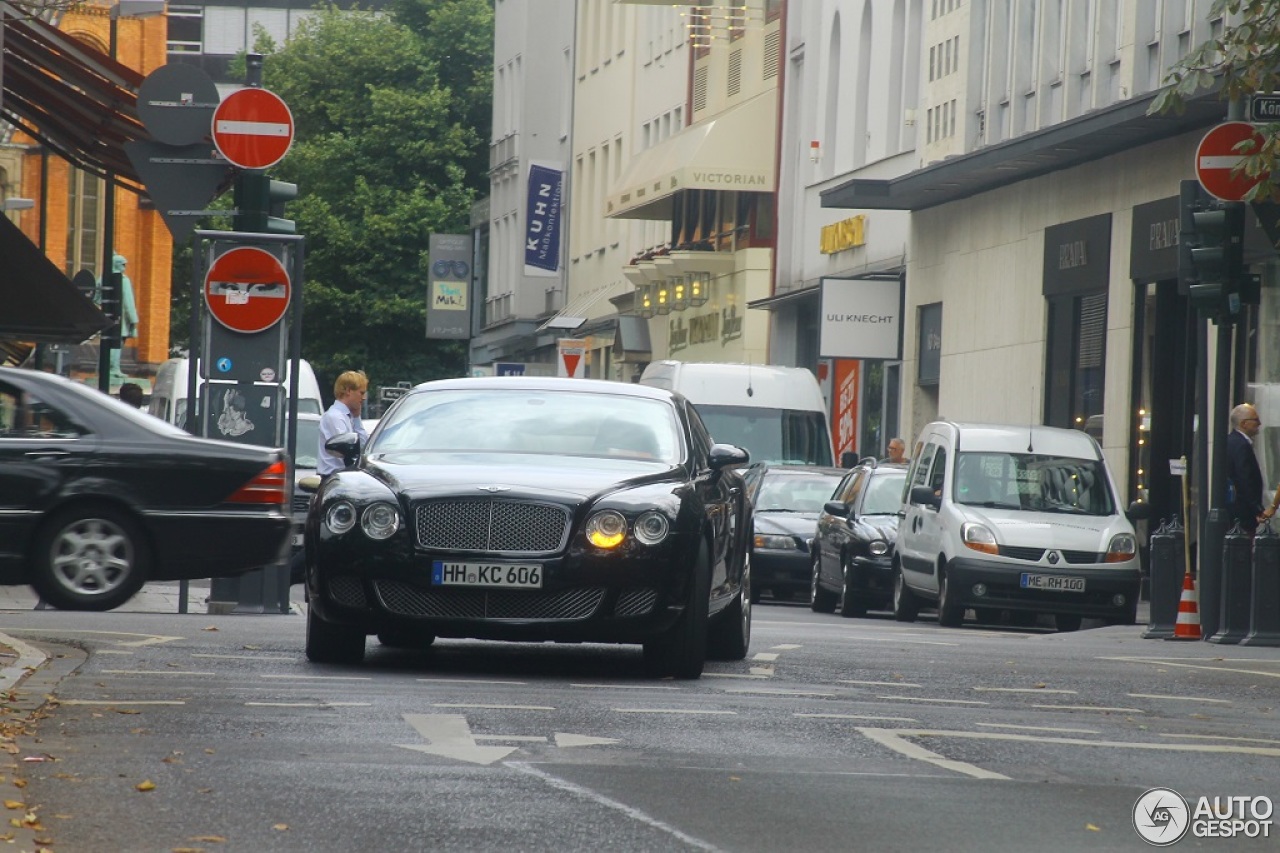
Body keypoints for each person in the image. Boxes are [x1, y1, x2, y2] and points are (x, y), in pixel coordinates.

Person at [317, 370, 370, 480]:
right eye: (361, 393)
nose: (364, 398)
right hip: (334, 478)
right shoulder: (335, 417)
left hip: (342, 476)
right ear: (348, 391)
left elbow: (364, 446)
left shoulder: (346, 416)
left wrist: (356, 418)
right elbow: (351, 450)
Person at [1226, 403, 1266, 532]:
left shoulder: (1231, 441)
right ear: (1244, 424)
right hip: (1243, 514)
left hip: (1235, 511)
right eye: (1255, 420)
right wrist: (1257, 508)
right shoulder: (1241, 445)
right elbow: (1245, 478)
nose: (1259, 423)